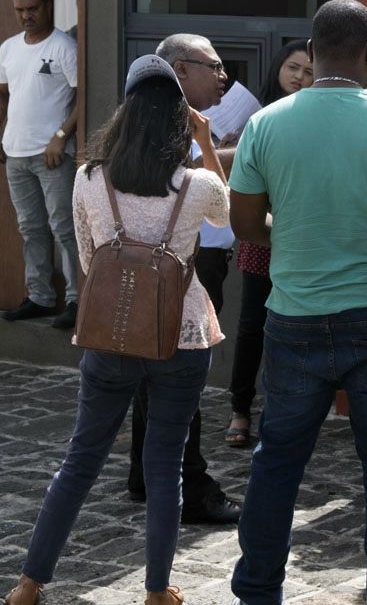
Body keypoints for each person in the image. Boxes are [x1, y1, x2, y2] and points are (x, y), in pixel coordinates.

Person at [228, 0, 367, 605]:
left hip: (295, 314)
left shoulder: (266, 122)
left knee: (278, 461)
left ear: (314, 46)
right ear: (366, 50)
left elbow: (246, 224)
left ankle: (255, 589)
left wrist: (295, 229)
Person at [1, 54, 229, 605]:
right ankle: (157, 590)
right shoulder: (195, 184)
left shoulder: (87, 179)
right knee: (165, 462)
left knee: (80, 460)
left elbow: (86, 258)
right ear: (180, 115)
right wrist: (204, 141)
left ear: (125, 113)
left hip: (111, 333)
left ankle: (30, 585)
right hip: (182, 334)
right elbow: (226, 219)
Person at [126, 33, 239, 525]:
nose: (223, 77)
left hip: (137, 286)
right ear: (178, 69)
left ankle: (144, 476)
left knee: (148, 386)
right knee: (177, 391)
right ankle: (187, 486)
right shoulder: (172, 135)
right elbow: (222, 209)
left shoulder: (136, 134)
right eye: (212, 67)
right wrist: (207, 144)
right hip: (173, 285)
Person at [225, 39, 312, 449]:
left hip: (303, 240)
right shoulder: (258, 119)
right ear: (278, 67)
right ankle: (240, 409)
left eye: (309, 71)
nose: (299, 77)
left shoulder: (317, 118)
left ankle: (283, 411)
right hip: (262, 239)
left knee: (295, 327)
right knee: (252, 326)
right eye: (293, 67)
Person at [0, 0, 81, 329]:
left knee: (64, 227)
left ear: (47, 6)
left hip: (52, 155)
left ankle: (78, 300)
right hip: (16, 154)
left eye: (32, 9)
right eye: (20, 10)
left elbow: (83, 96)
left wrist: (61, 136)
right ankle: (40, 297)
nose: (26, 16)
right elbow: (6, 93)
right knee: (30, 228)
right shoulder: (8, 47)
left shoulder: (64, 46)